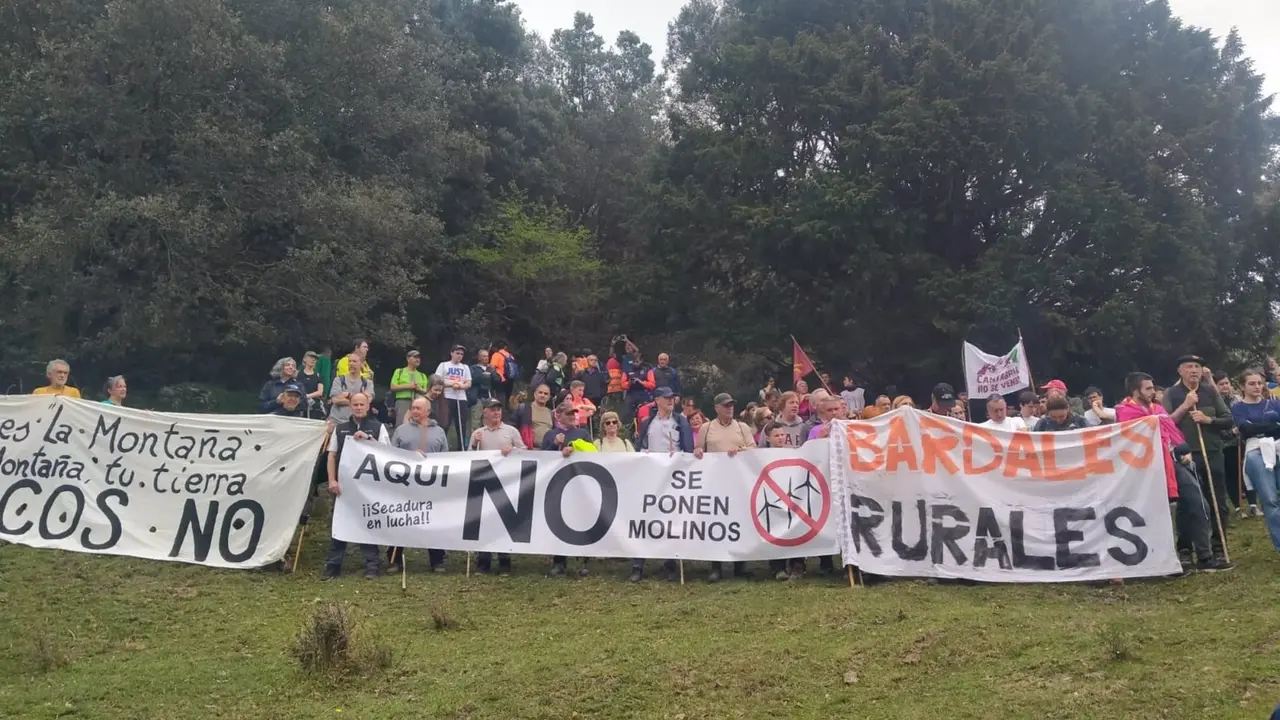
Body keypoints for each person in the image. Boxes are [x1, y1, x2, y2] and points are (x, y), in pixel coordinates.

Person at [1117, 372, 1229, 571]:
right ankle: (1163, 560)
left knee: (1196, 503)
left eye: (1153, 387)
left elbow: (1170, 429)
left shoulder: (1157, 409)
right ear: (1136, 391)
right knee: (1158, 514)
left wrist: (1182, 448)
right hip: (1146, 469)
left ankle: (1204, 556)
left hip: (1172, 463)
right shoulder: (1125, 412)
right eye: (1148, 388)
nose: (1154, 392)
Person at [1164, 355, 1235, 551]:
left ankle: (1219, 545)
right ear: (1180, 370)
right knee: (1188, 504)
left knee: (1217, 500)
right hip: (1185, 457)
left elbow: (1228, 419)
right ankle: (1186, 547)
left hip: (1212, 451)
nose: (1194, 370)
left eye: (1197, 366)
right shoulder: (1171, 393)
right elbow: (1165, 424)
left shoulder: (1210, 391)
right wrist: (1186, 405)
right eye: (1189, 366)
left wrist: (1208, 420)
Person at [322, 392, 388, 580]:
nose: (359, 407)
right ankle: (333, 566)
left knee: (368, 522)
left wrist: (369, 440)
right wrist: (332, 480)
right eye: (355, 404)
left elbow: (387, 454)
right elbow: (331, 455)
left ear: (368, 406)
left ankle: (372, 565)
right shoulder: (340, 428)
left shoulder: (378, 427)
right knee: (339, 523)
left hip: (369, 487)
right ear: (350, 406)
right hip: (344, 486)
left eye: (362, 404)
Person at [630, 387, 693, 582]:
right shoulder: (648, 423)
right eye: (666, 398)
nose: (670, 401)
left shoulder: (680, 421)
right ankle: (637, 565)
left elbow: (688, 449)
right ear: (657, 400)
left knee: (671, 519)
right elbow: (641, 446)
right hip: (651, 478)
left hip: (674, 479)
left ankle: (670, 562)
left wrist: (680, 458)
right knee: (645, 518)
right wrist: (644, 454)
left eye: (672, 398)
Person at [386, 396, 450, 573]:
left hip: (431, 485)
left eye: (418, 408)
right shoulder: (401, 430)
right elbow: (391, 456)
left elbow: (446, 458)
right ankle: (394, 559)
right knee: (400, 520)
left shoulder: (439, 432)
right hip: (405, 484)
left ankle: (437, 560)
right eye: (413, 408)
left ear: (428, 411)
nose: (414, 411)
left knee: (433, 521)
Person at [541, 402, 592, 578]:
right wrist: (554, 446)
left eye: (574, 413)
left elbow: (592, 453)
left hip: (579, 483)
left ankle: (583, 560)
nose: (572, 416)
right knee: (559, 522)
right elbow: (542, 459)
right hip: (558, 483)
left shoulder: (583, 433)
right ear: (558, 415)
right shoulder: (550, 434)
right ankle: (559, 562)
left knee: (582, 520)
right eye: (568, 413)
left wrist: (575, 450)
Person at [1234, 369, 1280, 550]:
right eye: (1252, 384)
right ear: (1242, 386)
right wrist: (1273, 425)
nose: (1257, 387)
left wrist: (1260, 427)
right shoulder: (1239, 407)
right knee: (1269, 499)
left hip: (1277, 448)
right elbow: (1245, 429)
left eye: (1260, 383)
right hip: (1255, 452)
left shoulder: (1273, 403)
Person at [435, 345, 473, 450]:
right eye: (457, 353)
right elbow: (437, 380)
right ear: (451, 353)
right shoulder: (443, 365)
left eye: (461, 354)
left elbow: (468, 383)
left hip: (461, 398)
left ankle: (461, 448)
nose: (459, 356)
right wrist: (452, 384)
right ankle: (440, 448)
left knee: (461, 425)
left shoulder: (465, 367)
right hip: (447, 397)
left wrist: (461, 386)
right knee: (444, 423)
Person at [328, 355, 374, 425]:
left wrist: (348, 395)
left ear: (361, 364)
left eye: (354, 361)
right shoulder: (339, 380)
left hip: (358, 424)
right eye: (349, 361)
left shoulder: (367, 383)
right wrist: (359, 399)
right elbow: (335, 400)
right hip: (337, 422)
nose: (351, 363)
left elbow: (368, 401)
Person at [389, 350, 429, 427]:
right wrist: (409, 386)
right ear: (408, 359)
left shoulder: (422, 375)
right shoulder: (399, 371)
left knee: (418, 425)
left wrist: (418, 388)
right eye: (415, 357)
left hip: (418, 403)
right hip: (403, 401)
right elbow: (393, 386)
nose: (417, 360)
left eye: (419, 358)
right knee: (401, 424)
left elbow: (426, 391)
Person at [515, 383, 555, 449]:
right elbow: (513, 428)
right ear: (535, 394)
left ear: (548, 397)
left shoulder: (550, 412)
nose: (543, 395)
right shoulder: (524, 408)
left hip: (548, 451)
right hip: (529, 451)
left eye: (546, 394)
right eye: (540, 392)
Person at [469, 348, 498, 433]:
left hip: (489, 397)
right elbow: (471, 380)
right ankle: (474, 443)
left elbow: (497, 381)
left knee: (488, 420)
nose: (486, 358)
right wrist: (483, 376)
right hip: (477, 397)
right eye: (484, 356)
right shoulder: (473, 368)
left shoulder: (490, 368)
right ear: (479, 358)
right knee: (476, 421)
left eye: (487, 356)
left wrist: (492, 372)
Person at [299, 351, 327, 418]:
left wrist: (306, 396)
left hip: (315, 407)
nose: (313, 359)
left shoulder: (318, 376)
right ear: (304, 359)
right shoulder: (298, 374)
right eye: (311, 357)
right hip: (300, 406)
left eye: (315, 358)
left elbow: (320, 392)